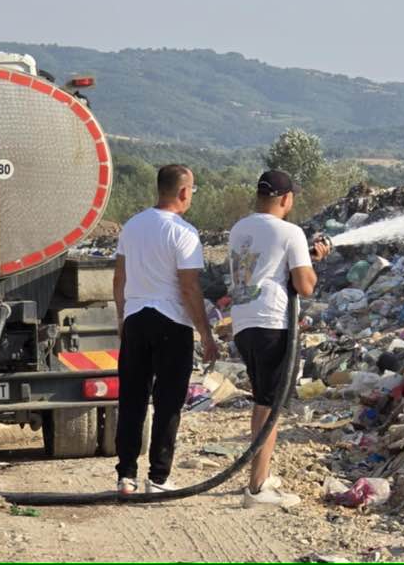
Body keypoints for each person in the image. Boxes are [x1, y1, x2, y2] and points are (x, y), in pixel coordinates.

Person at [112, 164, 219, 495]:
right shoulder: (184, 232)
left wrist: (122, 319)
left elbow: (119, 279)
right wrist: (205, 333)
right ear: (183, 192)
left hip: (135, 318)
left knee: (132, 399)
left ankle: (126, 476)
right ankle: (158, 478)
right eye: (192, 192)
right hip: (171, 322)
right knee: (168, 401)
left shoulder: (132, 226)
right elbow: (189, 288)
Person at [228, 170, 330, 508]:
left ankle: (260, 474)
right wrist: (314, 264)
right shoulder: (291, 232)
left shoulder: (240, 229)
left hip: (244, 323)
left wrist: (305, 259)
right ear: (285, 198)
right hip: (273, 324)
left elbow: (268, 269)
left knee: (262, 401)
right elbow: (305, 286)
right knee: (270, 407)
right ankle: (257, 489)